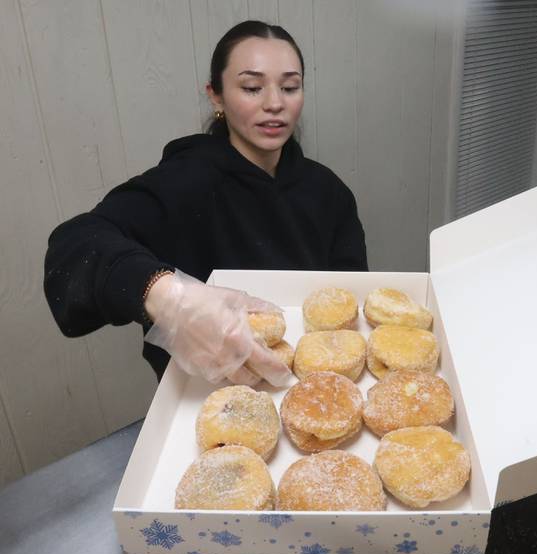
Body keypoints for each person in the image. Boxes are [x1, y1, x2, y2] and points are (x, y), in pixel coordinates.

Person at [44, 21, 368, 387]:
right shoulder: (182, 182)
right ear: (216, 96)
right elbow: (75, 246)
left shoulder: (329, 192)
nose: (275, 103)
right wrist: (167, 298)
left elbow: (350, 300)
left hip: (318, 388)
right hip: (208, 393)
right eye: (252, 87)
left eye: (290, 87)